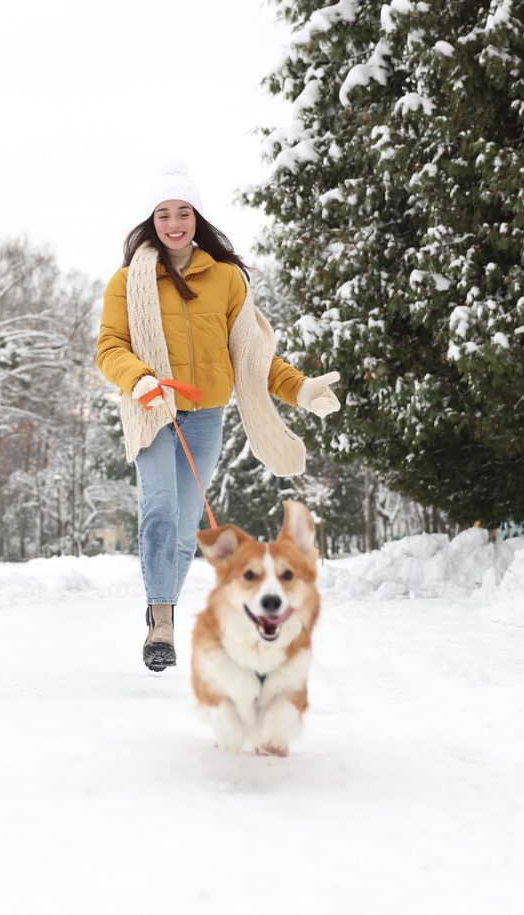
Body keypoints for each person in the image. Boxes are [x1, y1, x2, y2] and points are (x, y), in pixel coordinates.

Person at [95, 163, 341, 672]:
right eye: (163, 214)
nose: (173, 222)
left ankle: (159, 602)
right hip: (152, 411)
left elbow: (252, 356)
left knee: (187, 526)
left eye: (182, 212)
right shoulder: (127, 281)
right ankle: (161, 623)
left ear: (196, 217)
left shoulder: (226, 279)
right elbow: (109, 347)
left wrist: (301, 389)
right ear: (152, 222)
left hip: (205, 417)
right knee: (160, 509)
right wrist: (140, 378)